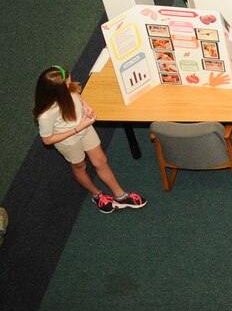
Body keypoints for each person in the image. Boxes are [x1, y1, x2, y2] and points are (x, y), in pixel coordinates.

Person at [33, 66, 147, 214]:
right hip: (69, 141)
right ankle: (97, 194)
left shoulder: (67, 90)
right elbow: (47, 140)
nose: (71, 84)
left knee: (101, 161)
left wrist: (85, 105)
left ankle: (121, 196)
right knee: (80, 166)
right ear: (58, 91)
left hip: (85, 128)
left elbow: (75, 93)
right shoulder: (46, 115)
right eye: (68, 83)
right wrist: (78, 128)